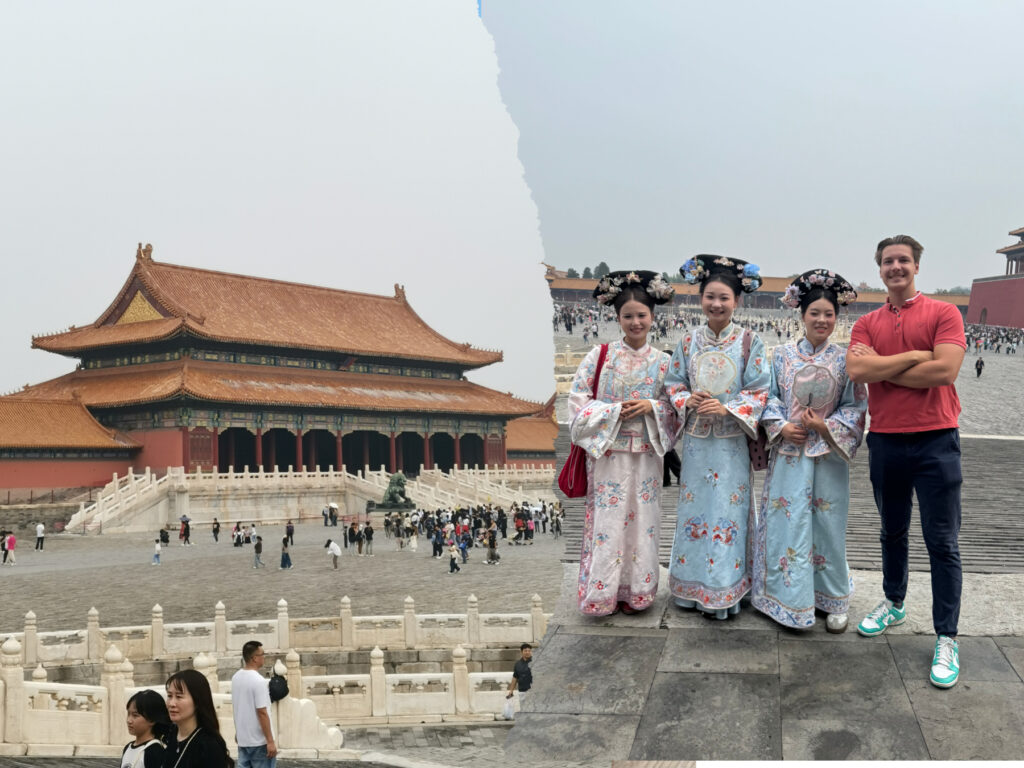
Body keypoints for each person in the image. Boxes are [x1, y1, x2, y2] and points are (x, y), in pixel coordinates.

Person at [846, 235, 967, 688]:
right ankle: (894, 602)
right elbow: (858, 372)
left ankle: (947, 635)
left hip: (937, 438)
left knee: (942, 540)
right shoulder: (867, 323)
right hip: (887, 440)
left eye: (903, 260)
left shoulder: (943, 312)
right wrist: (917, 356)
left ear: (916, 266)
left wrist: (886, 364)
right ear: (879, 270)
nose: (896, 267)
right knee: (891, 530)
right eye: (888, 261)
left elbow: (946, 371)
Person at [751, 269, 867, 632]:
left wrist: (825, 426)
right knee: (788, 524)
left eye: (828, 314)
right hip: (788, 454)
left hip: (828, 458)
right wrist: (781, 425)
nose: (821, 320)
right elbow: (767, 398)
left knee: (827, 525)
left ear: (837, 318)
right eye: (814, 313)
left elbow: (856, 408)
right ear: (801, 315)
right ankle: (785, 597)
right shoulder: (781, 356)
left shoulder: (846, 360)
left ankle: (832, 598)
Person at [665, 255, 770, 619]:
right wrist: (686, 399)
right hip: (696, 444)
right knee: (695, 509)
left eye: (724, 297)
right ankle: (691, 587)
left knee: (729, 511)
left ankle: (726, 587)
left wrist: (727, 409)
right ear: (700, 298)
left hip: (730, 444)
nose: (717, 304)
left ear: (737, 301)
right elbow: (672, 383)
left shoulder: (749, 342)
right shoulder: (688, 341)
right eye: (710, 296)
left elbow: (760, 390)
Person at [569, 270, 679, 616]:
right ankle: (602, 593)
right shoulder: (599, 357)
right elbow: (576, 404)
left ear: (652, 317)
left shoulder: (664, 363)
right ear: (617, 318)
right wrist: (614, 411)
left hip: (647, 456)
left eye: (641, 316)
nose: (635, 323)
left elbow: (677, 409)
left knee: (643, 524)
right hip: (609, 455)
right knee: (608, 524)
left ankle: (639, 592)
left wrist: (652, 407)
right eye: (628, 316)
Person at [164, 669, 234, 767]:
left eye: (179, 697)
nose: (171, 703)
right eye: (169, 696)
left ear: (197, 701)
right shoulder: (172, 733)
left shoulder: (208, 745)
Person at [231, 641, 278, 767]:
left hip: (243, 741)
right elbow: (262, 712)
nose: (264, 657)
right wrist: (270, 741)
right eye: (262, 654)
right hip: (259, 743)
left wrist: (238, 732)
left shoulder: (235, 678)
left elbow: (238, 707)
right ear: (255, 658)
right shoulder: (259, 681)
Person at [122, 689, 171, 768]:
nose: (129, 720)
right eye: (128, 714)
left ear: (152, 720)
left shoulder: (155, 751)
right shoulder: (127, 748)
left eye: (135, 715)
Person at [504, 643, 533, 720]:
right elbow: (515, 678)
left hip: (533, 691)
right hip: (522, 690)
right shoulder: (518, 664)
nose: (527, 652)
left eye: (529, 651)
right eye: (525, 651)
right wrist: (511, 690)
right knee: (524, 709)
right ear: (521, 652)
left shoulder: (535, 661)